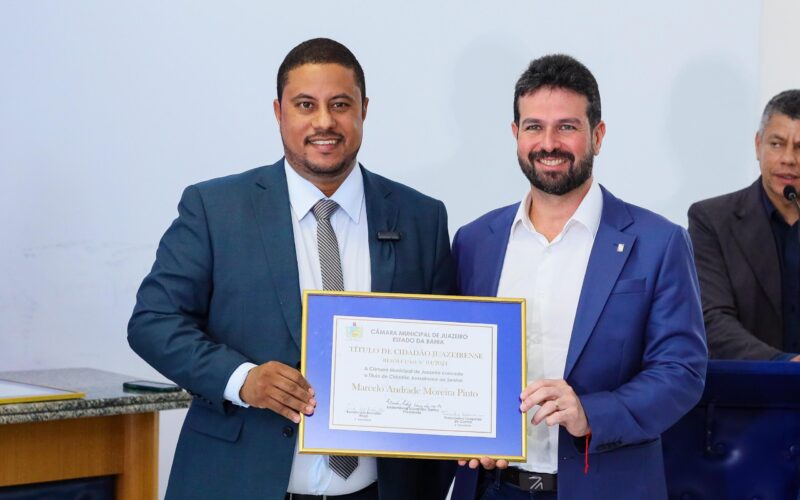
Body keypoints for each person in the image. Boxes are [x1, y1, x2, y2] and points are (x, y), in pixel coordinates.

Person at [128, 38, 454, 500]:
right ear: (279, 112)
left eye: (340, 104)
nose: (324, 122)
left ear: (364, 109)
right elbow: (153, 322)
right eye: (306, 105)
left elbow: (444, 347)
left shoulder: (421, 217)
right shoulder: (215, 208)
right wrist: (242, 380)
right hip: (238, 484)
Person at [449, 54, 707, 499]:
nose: (549, 143)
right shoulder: (474, 241)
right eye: (534, 127)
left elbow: (681, 371)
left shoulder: (659, 242)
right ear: (515, 134)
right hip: (492, 488)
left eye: (566, 127)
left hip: (607, 487)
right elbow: (456, 358)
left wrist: (591, 413)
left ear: (597, 135)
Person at [688, 89, 800, 361]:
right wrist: (784, 364)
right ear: (758, 145)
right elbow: (711, 320)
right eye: (776, 144)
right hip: (750, 383)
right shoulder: (712, 220)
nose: (788, 158)